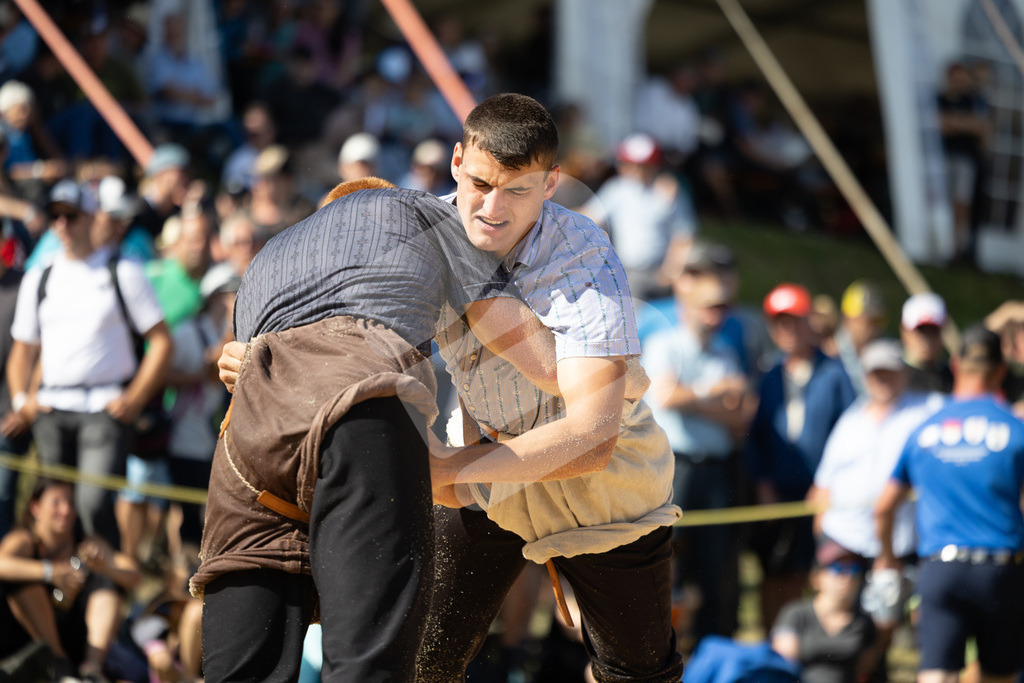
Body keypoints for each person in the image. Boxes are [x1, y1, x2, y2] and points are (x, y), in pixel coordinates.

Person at [196, 178, 585, 681]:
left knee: (242, 673)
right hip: (357, 398)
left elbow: (248, 365)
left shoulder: (271, 253)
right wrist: (596, 370)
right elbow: (544, 366)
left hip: (245, 445)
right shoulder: (418, 212)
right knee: (366, 666)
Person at [420, 93, 682, 682]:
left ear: (552, 183)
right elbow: (336, 320)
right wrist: (257, 350)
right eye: (481, 183)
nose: (491, 207)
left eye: (517, 190)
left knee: (640, 677)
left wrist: (453, 470)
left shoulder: (584, 253)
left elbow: (591, 437)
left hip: (604, 485)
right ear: (457, 161)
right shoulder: (416, 237)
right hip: (487, 465)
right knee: (418, 662)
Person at [6, 180, 173, 547]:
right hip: (53, 406)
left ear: (89, 218)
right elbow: (22, 350)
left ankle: (107, 587)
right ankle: (69, 594)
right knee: (54, 512)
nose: (62, 225)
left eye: (71, 215)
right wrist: (23, 402)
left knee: (92, 504)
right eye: (55, 217)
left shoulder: (122, 269)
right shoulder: (41, 275)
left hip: (104, 406)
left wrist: (136, 397)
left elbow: (161, 340)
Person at [875, 325, 1024, 683]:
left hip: (941, 568)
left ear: (955, 365)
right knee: (998, 676)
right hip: (1000, 568)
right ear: (1001, 371)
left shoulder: (924, 430)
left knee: (937, 675)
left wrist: (887, 558)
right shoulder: (1015, 430)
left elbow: (883, 507)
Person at [808, 338, 943, 675]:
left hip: (900, 546)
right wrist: (821, 532)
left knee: (890, 627)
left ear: (903, 374)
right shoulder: (851, 419)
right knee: (850, 629)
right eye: (875, 373)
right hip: (846, 542)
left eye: (889, 372)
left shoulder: (926, 411)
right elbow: (823, 483)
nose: (882, 379)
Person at [642, 266, 749, 642]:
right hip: (676, 467)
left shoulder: (726, 352)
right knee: (666, 560)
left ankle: (709, 649)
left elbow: (740, 416)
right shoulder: (665, 345)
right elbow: (667, 397)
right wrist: (717, 392)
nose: (717, 314)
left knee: (714, 565)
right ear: (688, 306)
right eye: (709, 306)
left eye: (723, 307)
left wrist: (696, 397)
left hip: (716, 470)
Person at [747, 283, 856, 631]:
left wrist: (830, 485)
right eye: (780, 322)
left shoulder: (835, 374)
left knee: (819, 575)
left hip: (823, 496)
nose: (787, 330)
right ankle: (775, 644)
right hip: (778, 495)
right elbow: (757, 436)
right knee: (775, 574)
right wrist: (762, 484)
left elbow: (850, 433)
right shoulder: (769, 377)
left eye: (794, 321)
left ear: (809, 322)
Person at [0, 478, 142, 681]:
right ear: (35, 507)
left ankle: (92, 669)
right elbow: (2, 563)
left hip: (77, 640)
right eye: (56, 502)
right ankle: (59, 665)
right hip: (25, 639)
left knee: (108, 582)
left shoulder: (86, 544)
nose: (66, 510)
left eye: (71, 503)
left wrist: (106, 567)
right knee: (20, 578)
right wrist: (50, 572)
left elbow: (134, 577)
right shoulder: (24, 540)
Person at [580, 132, 695, 300]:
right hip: (629, 272)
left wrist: (671, 269)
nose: (632, 169)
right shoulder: (618, 189)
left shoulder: (668, 192)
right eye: (627, 163)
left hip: (662, 271)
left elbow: (684, 235)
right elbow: (589, 216)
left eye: (641, 165)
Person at [771, 541, 877, 683]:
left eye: (854, 569)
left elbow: (865, 669)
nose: (847, 577)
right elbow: (782, 656)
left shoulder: (864, 623)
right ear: (817, 578)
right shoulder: (796, 613)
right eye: (838, 569)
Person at [900, 292, 953, 394]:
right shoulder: (891, 378)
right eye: (920, 331)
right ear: (904, 332)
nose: (927, 340)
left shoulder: (955, 377)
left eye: (934, 331)